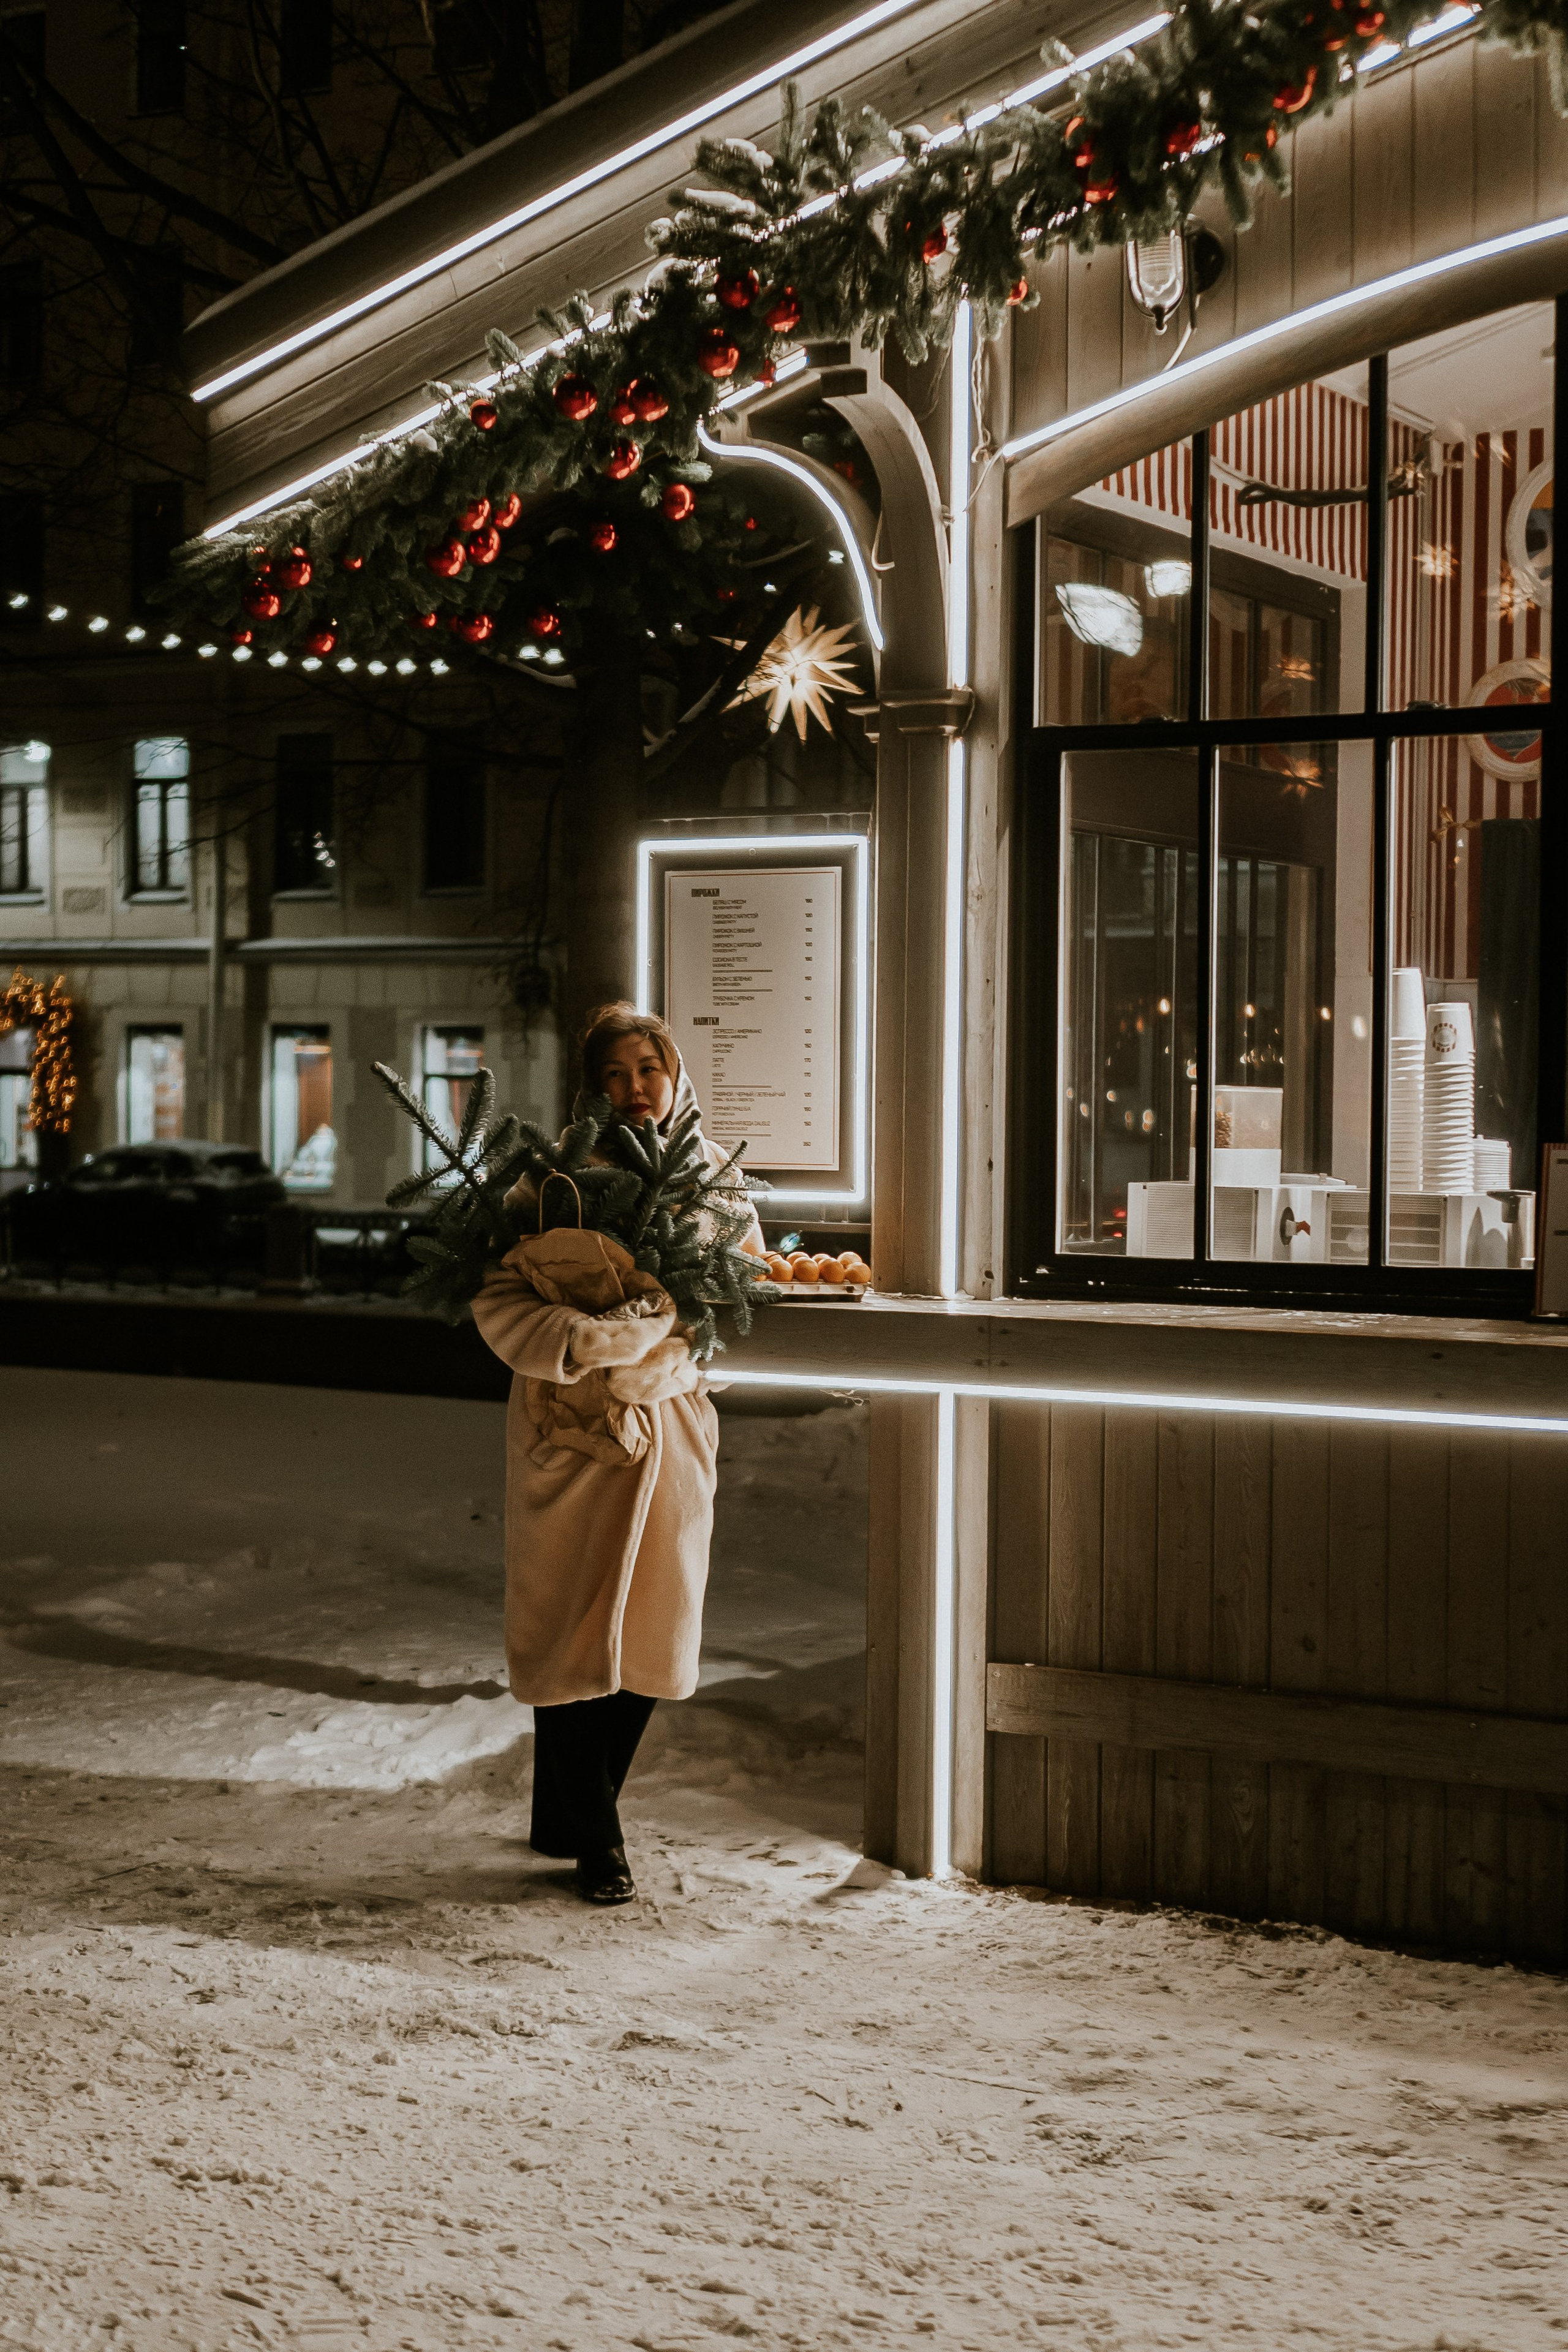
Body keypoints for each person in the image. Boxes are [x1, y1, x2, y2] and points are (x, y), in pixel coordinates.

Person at [472, 1003, 763, 1906]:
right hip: (566, 1433)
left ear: (674, 1077)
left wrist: (673, 1359)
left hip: (670, 1432)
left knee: (651, 1633)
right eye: (616, 1074)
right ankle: (600, 1842)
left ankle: (569, 1814)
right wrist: (583, 1344)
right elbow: (497, 1299)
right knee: (567, 1628)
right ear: (593, 1088)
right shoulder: (553, 1183)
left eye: (650, 1070)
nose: (636, 1090)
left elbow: (744, 1306)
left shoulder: (719, 1184)